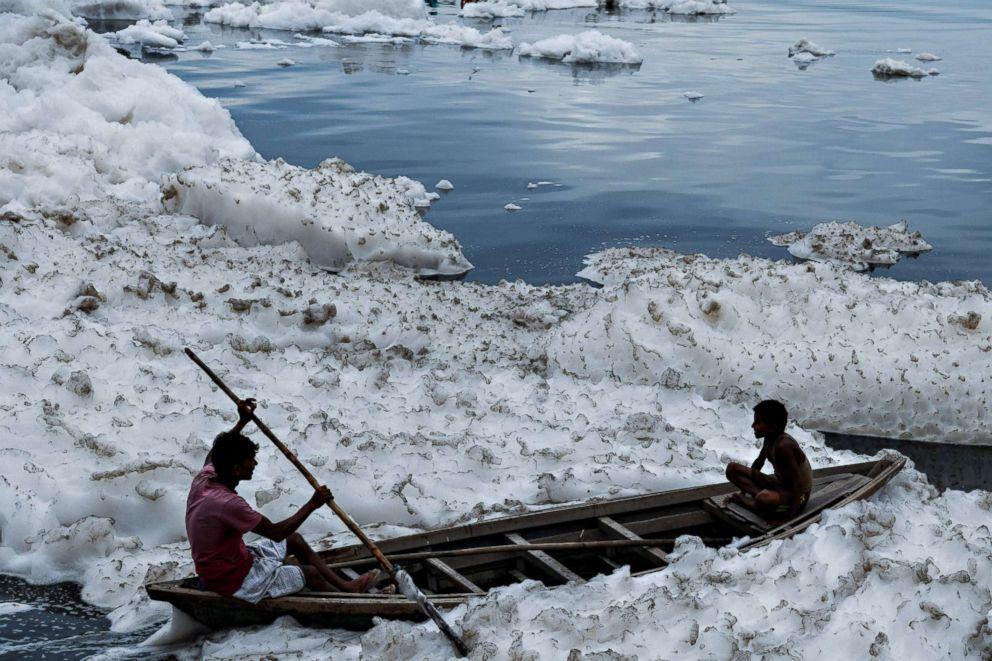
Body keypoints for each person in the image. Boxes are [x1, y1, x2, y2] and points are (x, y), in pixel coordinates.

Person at [186, 398, 380, 602]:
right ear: (236, 469)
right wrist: (313, 504)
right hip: (232, 581)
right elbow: (276, 533)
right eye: (250, 460)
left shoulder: (205, 477)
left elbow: (216, 453)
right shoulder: (228, 504)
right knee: (309, 574)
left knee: (294, 540)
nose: (255, 463)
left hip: (221, 564)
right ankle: (348, 602)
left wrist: (242, 422)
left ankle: (347, 587)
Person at [725, 400, 813, 520]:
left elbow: (797, 484)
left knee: (764, 498)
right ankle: (756, 500)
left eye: (757, 422)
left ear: (772, 427)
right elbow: (758, 464)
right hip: (779, 484)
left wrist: (788, 518)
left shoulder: (784, 446)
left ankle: (747, 502)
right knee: (732, 469)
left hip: (798, 496)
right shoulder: (769, 439)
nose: (753, 426)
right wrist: (744, 491)